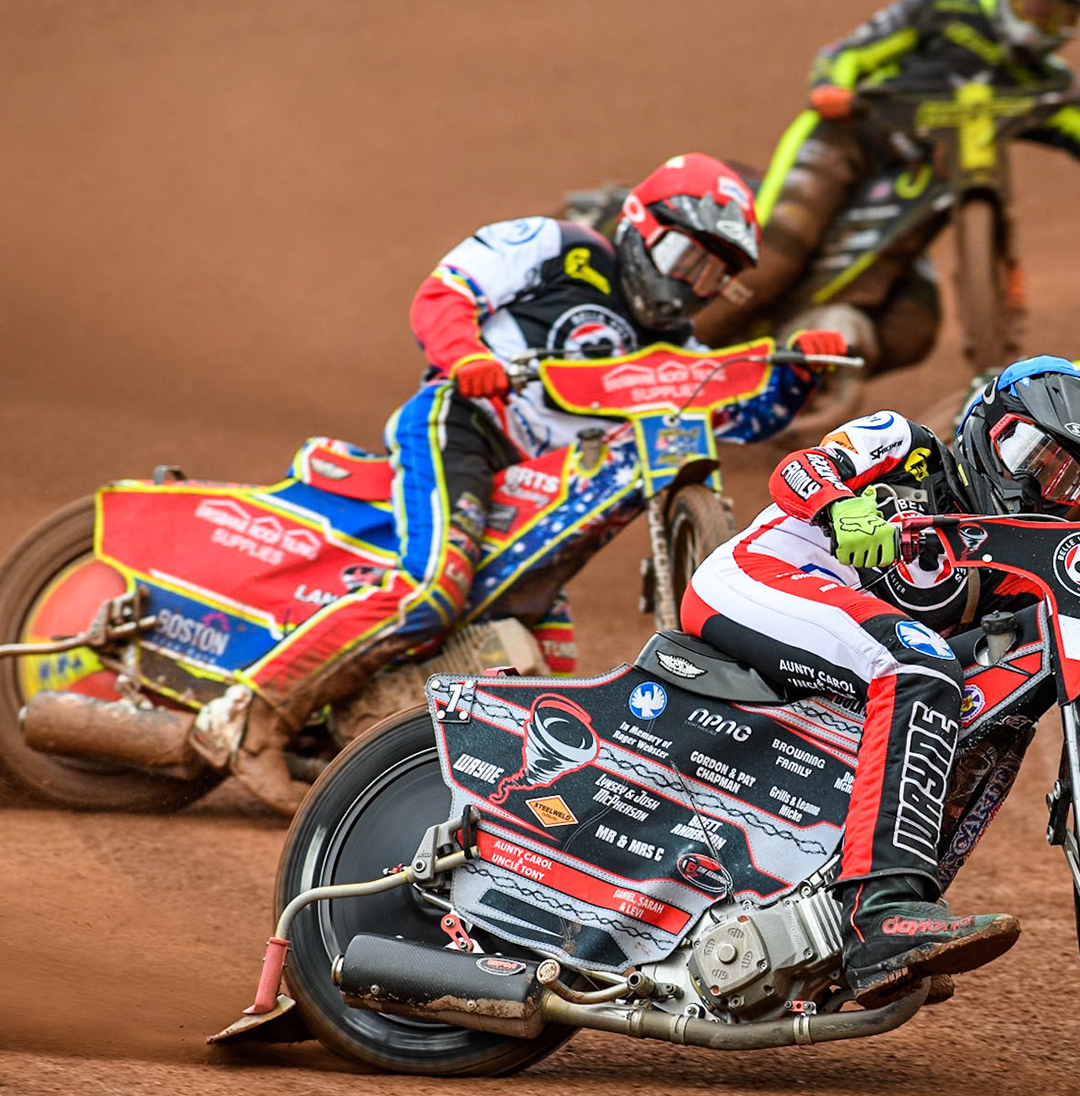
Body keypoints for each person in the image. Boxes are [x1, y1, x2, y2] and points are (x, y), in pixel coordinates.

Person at [190, 154, 847, 814]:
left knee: (547, 667)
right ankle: (251, 719)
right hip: (465, 428)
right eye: (683, 256)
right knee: (434, 589)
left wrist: (795, 378)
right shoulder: (558, 246)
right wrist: (468, 357)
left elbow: (732, 415)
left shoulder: (673, 352)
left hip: (540, 486)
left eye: (712, 274)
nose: (688, 284)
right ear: (639, 223)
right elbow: (444, 294)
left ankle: (477, 802)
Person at [681, 356, 1080, 1005]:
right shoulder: (908, 445)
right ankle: (877, 912)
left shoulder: (1013, 563)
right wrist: (842, 508)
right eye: (1033, 455)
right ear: (988, 424)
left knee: (1009, 692)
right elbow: (801, 468)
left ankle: (854, 917)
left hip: (846, 645)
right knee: (921, 664)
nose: (1038, 488)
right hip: (758, 578)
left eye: (1065, 484)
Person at [691, 0, 1080, 372]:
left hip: (917, 201)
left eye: (1063, 16)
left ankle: (800, 381)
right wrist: (832, 88)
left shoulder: (1045, 83)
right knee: (770, 266)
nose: (1041, 26)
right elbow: (845, 55)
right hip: (848, 144)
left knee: (912, 328)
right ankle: (668, 354)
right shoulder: (941, 10)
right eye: (1037, 7)